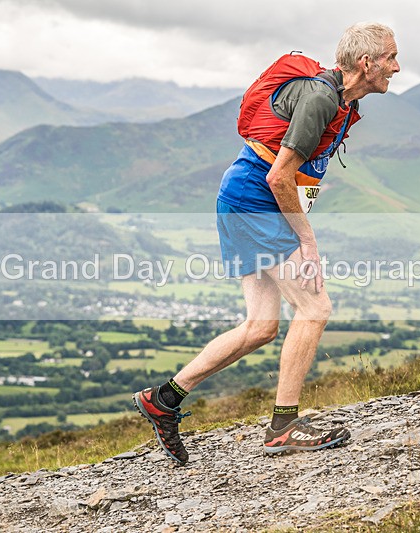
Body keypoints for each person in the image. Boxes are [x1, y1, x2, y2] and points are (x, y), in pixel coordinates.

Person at [135, 23, 400, 465]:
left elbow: (284, 168)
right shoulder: (320, 98)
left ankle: (162, 399)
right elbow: (277, 177)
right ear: (366, 63)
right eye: (391, 56)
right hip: (257, 200)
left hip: (243, 196)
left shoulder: (336, 99)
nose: (397, 65)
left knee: (261, 326)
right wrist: (308, 241)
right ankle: (283, 426)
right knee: (315, 308)